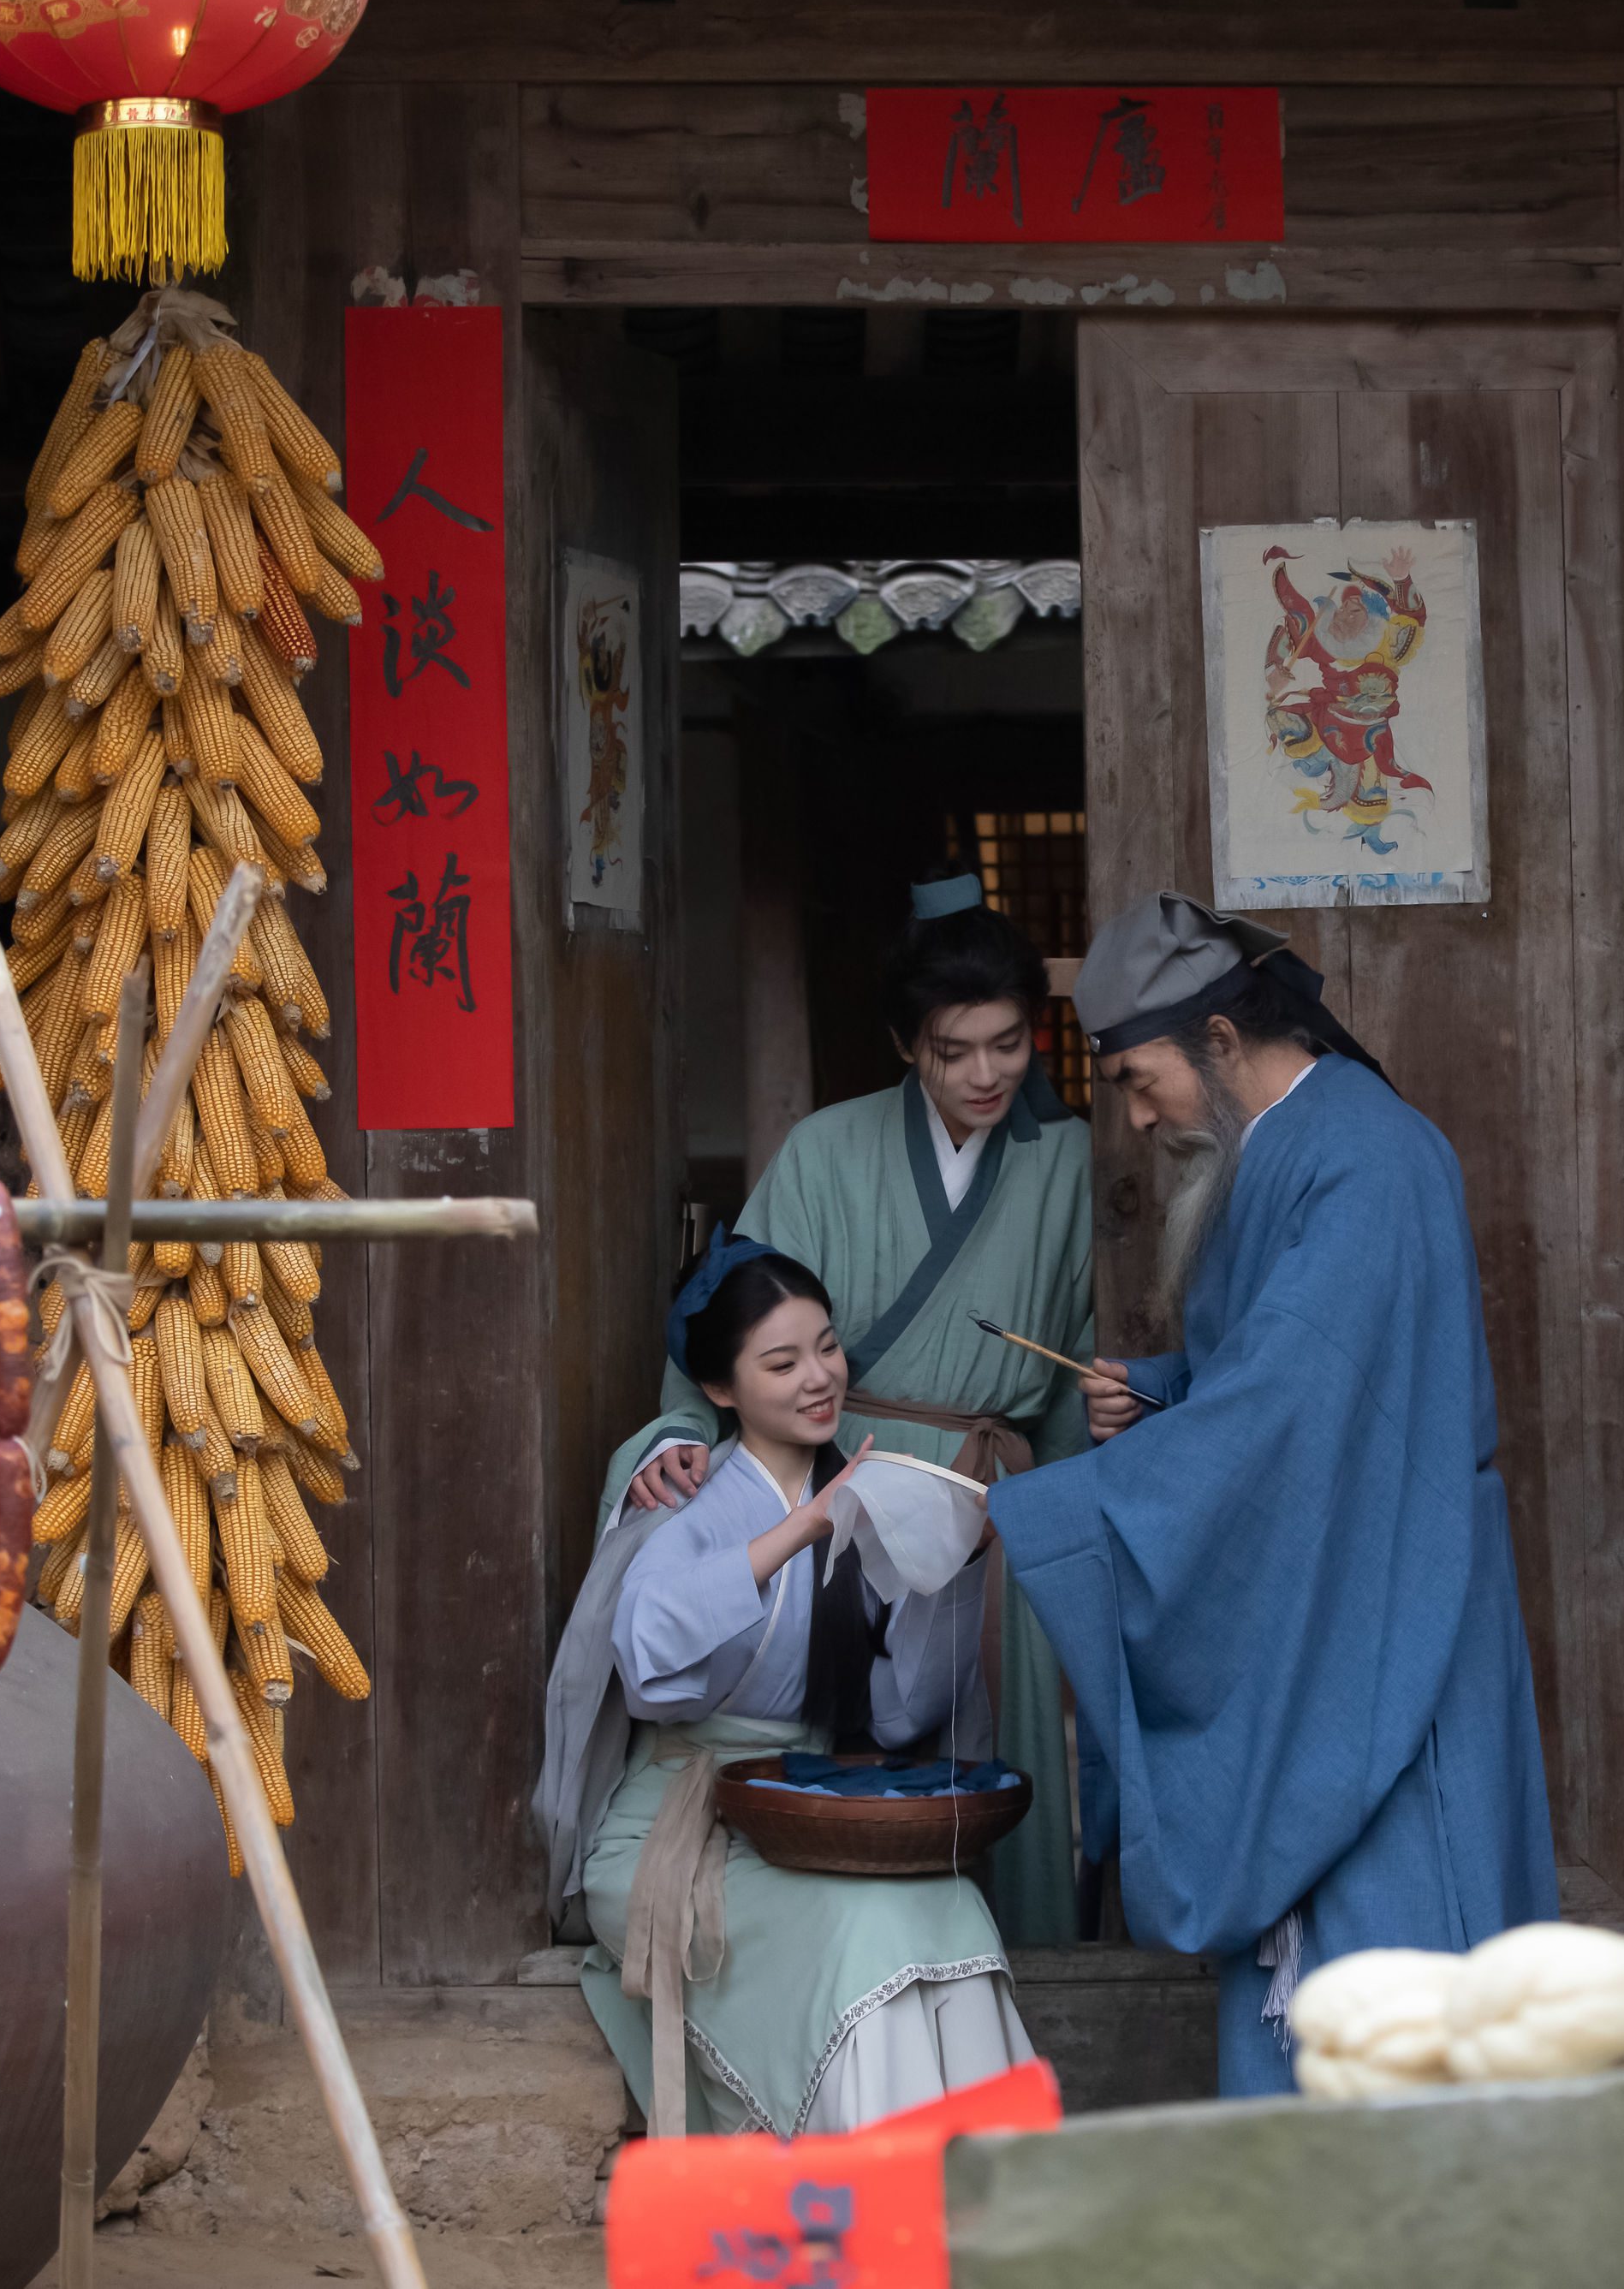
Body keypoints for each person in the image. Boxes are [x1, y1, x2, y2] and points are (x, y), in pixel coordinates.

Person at [983, 891, 1557, 2097]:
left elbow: (1302, 1402)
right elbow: (1278, 1377)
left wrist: (1076, 1512)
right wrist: (1165, 1393)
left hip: (1391, 1598)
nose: (1135, 1115)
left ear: (1225, 1041)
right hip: (1348, 1573)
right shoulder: (1290, 1152)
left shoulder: (1365, 1156)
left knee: (1393, 1938)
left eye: (1142, 1079)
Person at [597, 871, 1092, 1945]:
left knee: (996, 1748)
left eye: (1006, 1045)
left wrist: (1082, 1487)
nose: (983, 1073)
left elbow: (1071, 1376)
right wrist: (682, 1435)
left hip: (995, 1493)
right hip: (847, 1482)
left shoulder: (1073, 1165)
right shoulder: (826, 1148)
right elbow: (744, 1323)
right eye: (951, 1050)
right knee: (856, 1742)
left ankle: (1033, 1979)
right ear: (905, 1043)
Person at [536, 1234, 1034, 2137]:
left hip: (800, 1820)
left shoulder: (859, 1497)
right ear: (720, 1389)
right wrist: (801, 1529)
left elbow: (900, 1712)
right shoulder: (681, 1496)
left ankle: (973, 2200)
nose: (818, 1378)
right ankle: (863, 2196)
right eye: (781, 1362)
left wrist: (950, 1569)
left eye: (827, 1347)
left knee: (947, 1904)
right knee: (863, 1930)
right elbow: (649, 1661)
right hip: (669, 1833)